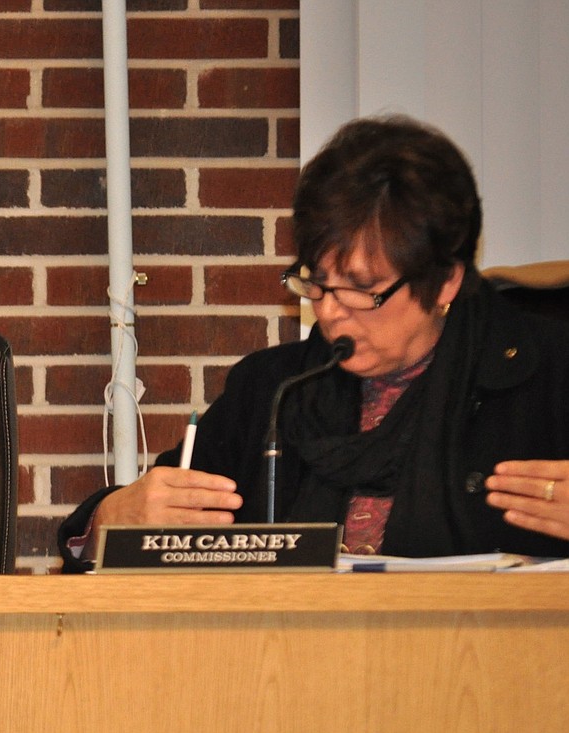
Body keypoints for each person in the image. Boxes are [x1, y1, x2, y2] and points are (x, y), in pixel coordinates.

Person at [58, 115, 569, 572]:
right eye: (317, 283)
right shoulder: (273, 390)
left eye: (363, 289)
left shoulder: (549, 375)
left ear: (447, 281)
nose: (326, 310)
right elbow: (146, 518)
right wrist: (109, 520)